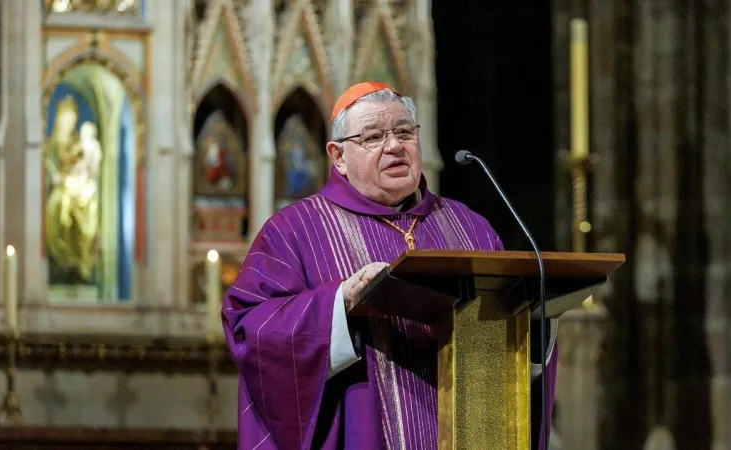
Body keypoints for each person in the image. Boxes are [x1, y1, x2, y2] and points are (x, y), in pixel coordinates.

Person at [222, 81, 558, 449]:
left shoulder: (469, 227)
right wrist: (339, 303)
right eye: (372, 137)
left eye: (403, 132)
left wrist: (538, 313)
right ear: (338, 156)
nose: (394, 146)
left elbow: (513, 336)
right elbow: (249, 327)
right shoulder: (295, 230)